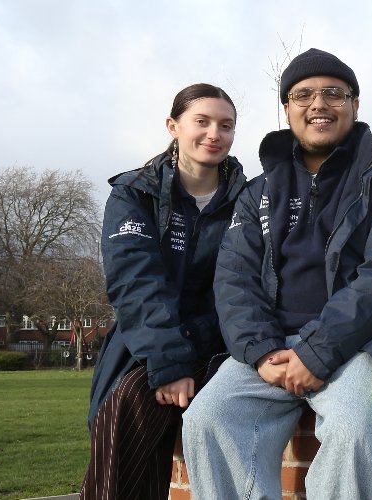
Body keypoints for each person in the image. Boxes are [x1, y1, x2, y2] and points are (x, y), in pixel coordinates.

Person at [180, 48, 372, 499]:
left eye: (333, 94)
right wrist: (262, 351)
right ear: (287, 109)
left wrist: (318, 352)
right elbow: (235, 277)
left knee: (353, 429)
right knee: (206, 419)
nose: (318, 105)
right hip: (269, 350)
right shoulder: (259, 190)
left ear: (355, 104)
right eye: (302, 95)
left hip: (353, 350)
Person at [84, 83, 247, 499]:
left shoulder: (249, 199)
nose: (214, 134)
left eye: (226, 126)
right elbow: (135, 281)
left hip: (218, 343)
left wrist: (196, 342)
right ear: (173, 126)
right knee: (130, 405)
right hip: (149, 344)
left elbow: (242, 283)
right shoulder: (134, 194)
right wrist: (169, 361)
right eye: (202, 121)